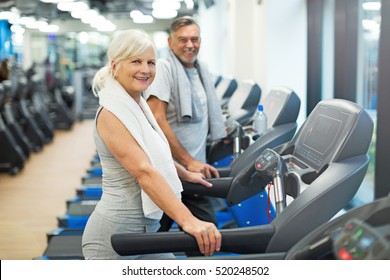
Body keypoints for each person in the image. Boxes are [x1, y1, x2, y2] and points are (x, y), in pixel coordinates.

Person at [81, 29, 221, 260]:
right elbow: (144, 170)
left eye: (150, 62)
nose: (145, 70)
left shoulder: (136, 104)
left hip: (147, 230)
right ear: (115, 66)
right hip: (116, 237)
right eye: (136, 61)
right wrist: (189, 221)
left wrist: (184, 174)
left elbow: (153, 153)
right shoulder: (111, 113)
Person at [144, 16, 226, 232]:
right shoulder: (164, 68)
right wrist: (189, 162)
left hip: (191, 172)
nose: (190, 45)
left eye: (194, 39)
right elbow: (156, 119)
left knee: (162, 235)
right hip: (169, 171)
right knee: (205, 232)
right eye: (183, 40)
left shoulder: (201, 69)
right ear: (170, 42)